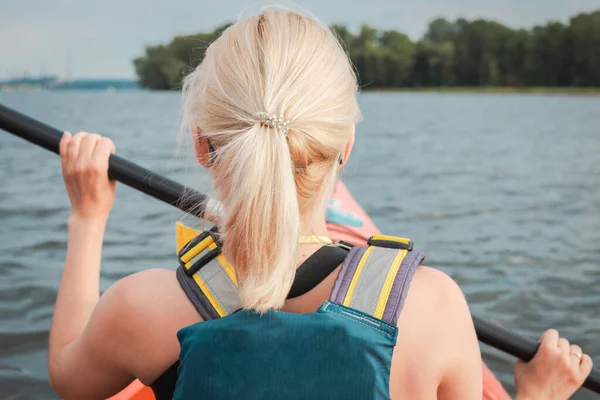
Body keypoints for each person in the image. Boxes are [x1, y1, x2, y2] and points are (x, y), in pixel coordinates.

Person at [47, 9, 592, 400]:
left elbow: (68, 378)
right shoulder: (434, 308)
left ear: (200, 144)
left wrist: (87, 217)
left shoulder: (140, 308)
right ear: (344, 147)